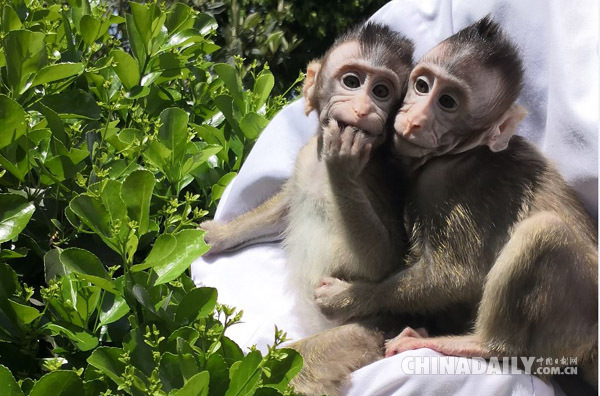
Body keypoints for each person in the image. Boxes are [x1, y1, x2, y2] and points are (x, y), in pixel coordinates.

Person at [192, 0, 597, 394]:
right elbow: (289, 198)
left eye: (448, 102)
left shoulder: (454, 176)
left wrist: (363, 296)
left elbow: (442, 273)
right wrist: (228, 233)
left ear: (500, 129)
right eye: (420, 86)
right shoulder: (394, 162)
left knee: (543, 231)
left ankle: (486, 345)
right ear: (312, 84)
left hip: (563, 319)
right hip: (527, 314)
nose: (416, 115)